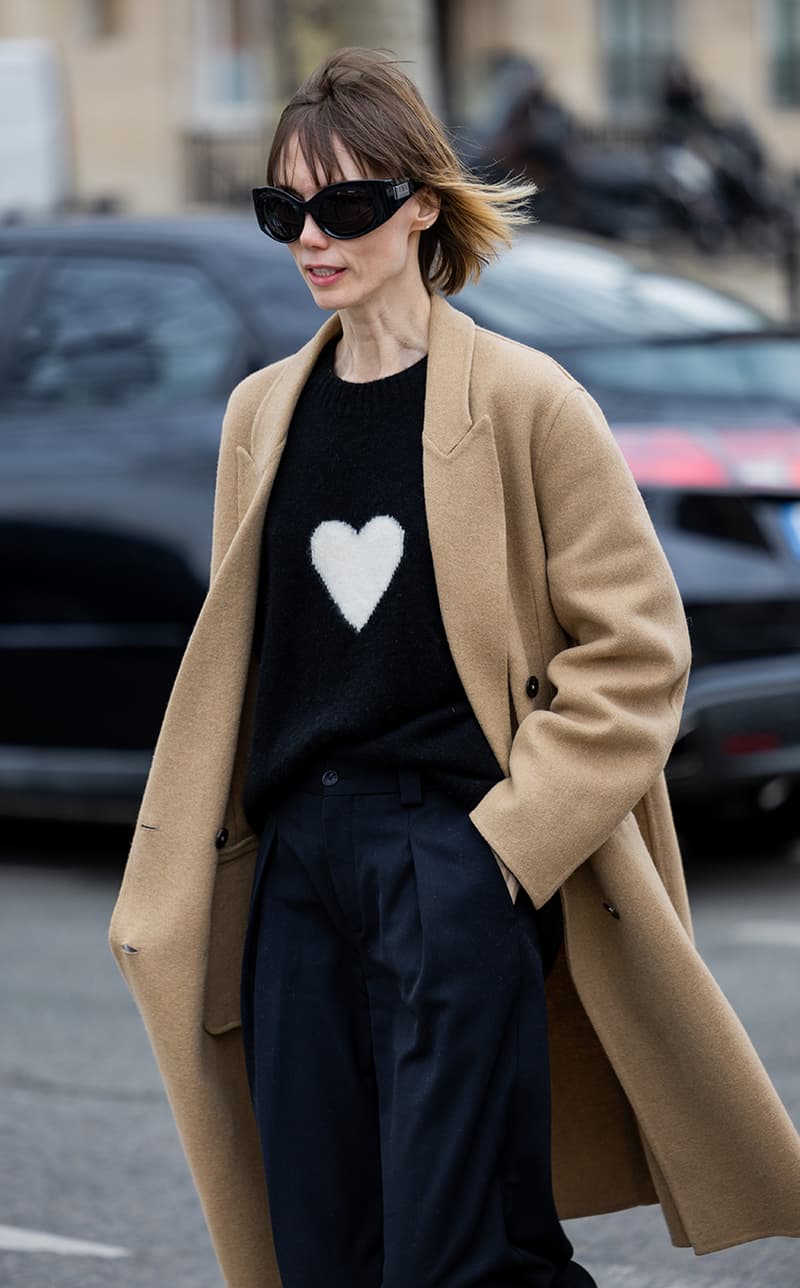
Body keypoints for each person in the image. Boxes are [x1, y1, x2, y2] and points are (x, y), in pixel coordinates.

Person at [109, 46, 800, 1288]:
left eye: (346, 206)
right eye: (285, 211)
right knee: (316, 1241)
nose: (313, 237)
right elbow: (252, 655)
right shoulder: (261, 411)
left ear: (421, 204)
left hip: (455, 852)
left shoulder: (530, 401)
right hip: (296, 874)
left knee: (460, 1252)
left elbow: (637, 653)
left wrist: (498, 852)